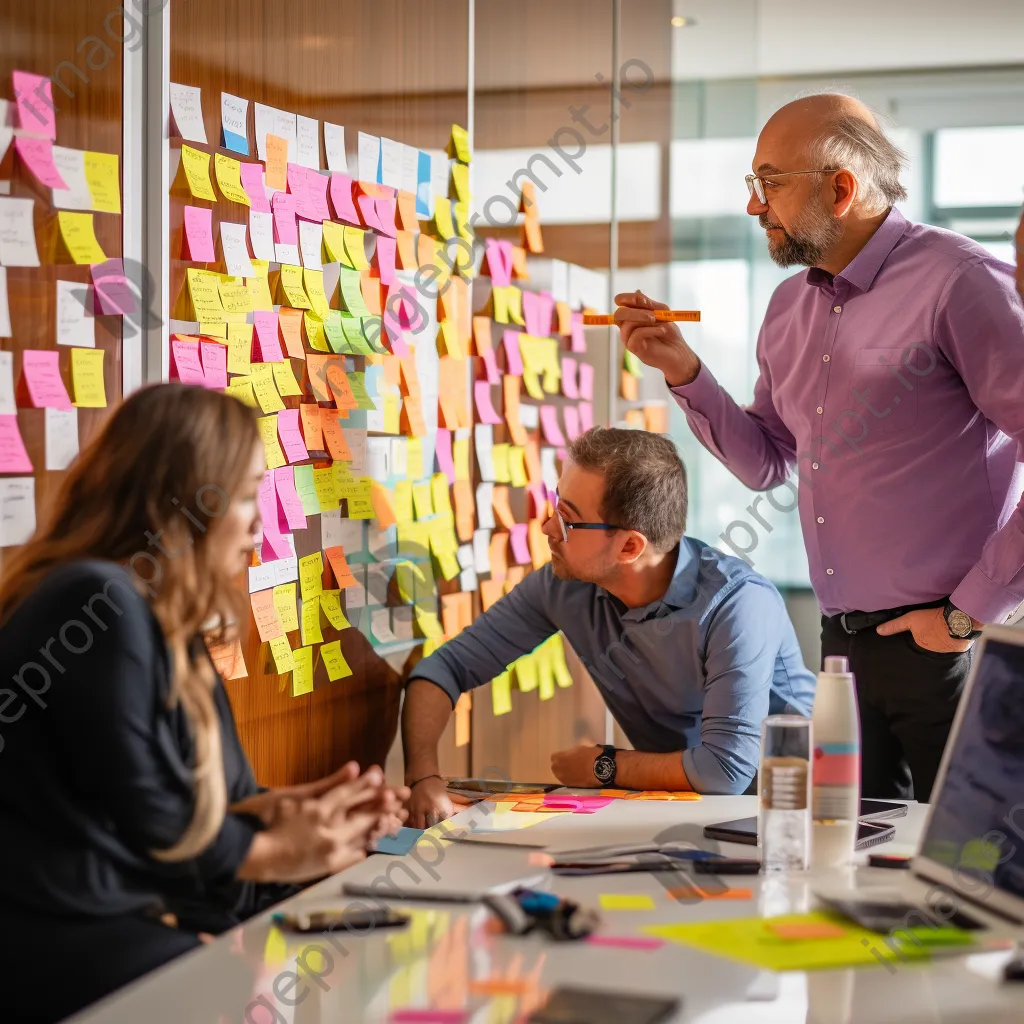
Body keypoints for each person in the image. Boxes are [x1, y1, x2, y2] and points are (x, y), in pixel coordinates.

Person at [615, 93, 1024, 802]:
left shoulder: (960, 282)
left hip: (950, 646)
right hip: (841, 651)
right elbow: (767, 460)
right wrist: (684, 370)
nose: (754, 206)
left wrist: (968, 612)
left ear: (840, 189)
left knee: (970, 873)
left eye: (769, 182)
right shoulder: (786, 308)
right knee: (855, 863)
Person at [0, 384, 407, 1023]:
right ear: (181, 504)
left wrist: (307, 813)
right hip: (55, 940)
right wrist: (283, 849)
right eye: (246, 497)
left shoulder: (172, 626)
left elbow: (212, 813)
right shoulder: (95, 601)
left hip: (132, 920)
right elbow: (159, 823)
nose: (259, 521)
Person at [403, 427, 816, 828]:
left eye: (566, 520)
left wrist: (603, 766)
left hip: (794, 813)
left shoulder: (739, 604)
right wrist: (424, 778)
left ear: (630, 546)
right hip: (678, 810)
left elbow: (725, 771)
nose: (547, 529)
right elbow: (444, 670)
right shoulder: (565, 585)